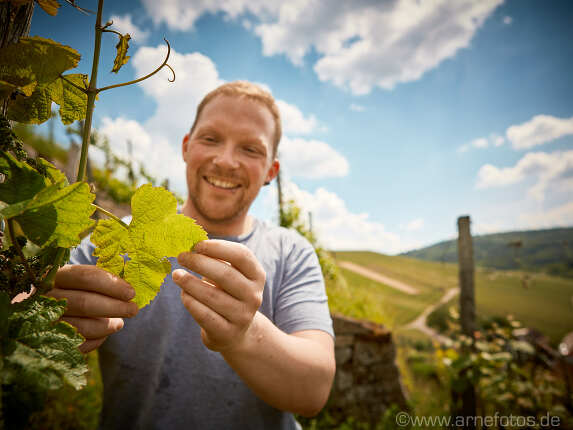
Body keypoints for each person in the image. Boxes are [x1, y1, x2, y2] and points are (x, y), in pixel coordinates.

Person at [49, 81, 336, 429]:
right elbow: (36, 306)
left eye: (250, 149)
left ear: (270, 173)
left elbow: (313, 392)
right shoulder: (112, 238)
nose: (225, 160)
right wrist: (48, 315)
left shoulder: (291, 252)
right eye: (211, 138)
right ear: (186, 147)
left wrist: (244, 334)